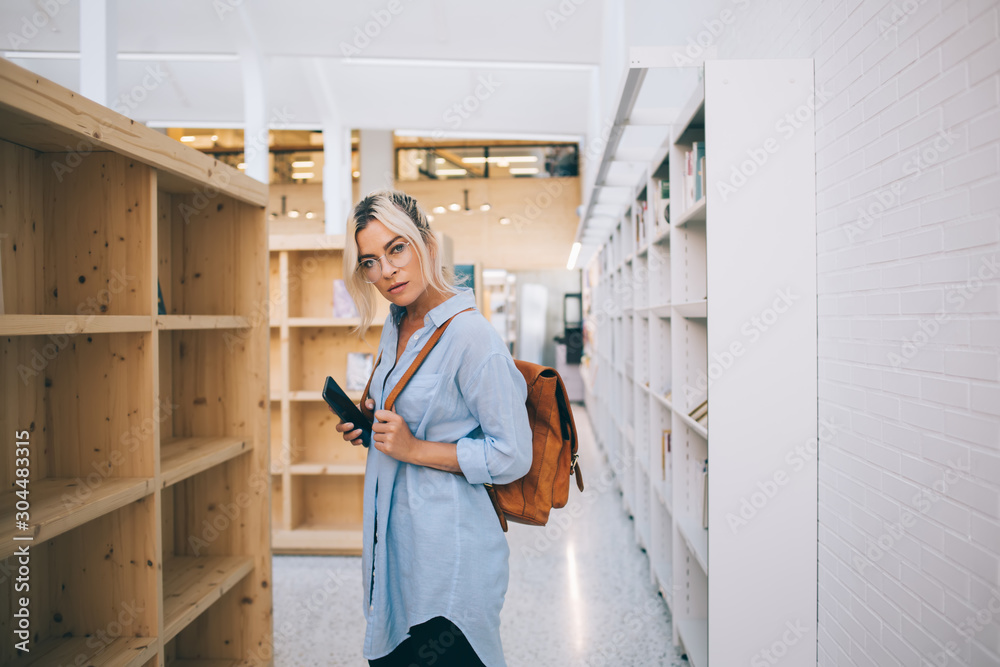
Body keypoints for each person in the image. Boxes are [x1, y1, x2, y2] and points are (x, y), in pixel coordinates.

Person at [332, 189, 532, 667]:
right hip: (396, 555)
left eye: (396, 248)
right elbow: (410, 424)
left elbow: (512, 455)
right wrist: (373, 433)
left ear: (427, 243)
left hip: (448, 563)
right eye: (369, 261)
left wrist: (413, 447)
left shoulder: (472, 337)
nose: (386, 271)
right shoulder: (396, 324)